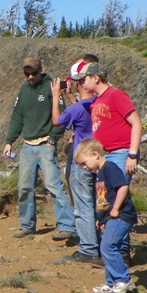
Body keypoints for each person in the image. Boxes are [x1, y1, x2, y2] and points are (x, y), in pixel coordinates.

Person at [2, 56, 75, 239]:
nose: (30, 76)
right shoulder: (24, 89)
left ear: (41, 70)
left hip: (45, 144)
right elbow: (17, 116)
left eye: (34, 73)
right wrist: (9, 141)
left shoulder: (51, 86)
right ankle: (27, 225)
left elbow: (61, 116)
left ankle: (66, 225)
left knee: (53, 185)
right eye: (27, 73)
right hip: (28, 146)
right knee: (24, 187)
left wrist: (52, 139)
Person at [77, 61, 142, 262]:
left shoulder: (116, 95)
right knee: (107, 198)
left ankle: (121, 251)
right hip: (106, 154)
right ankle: (114, 248)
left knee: (118, 198)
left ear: (96, 77)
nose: (82, 83)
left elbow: (136, 122)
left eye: (84, 79)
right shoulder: (97, 101)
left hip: (120, 152)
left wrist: (132, 154)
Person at [51, 59, 101, 264]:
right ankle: (99, 243)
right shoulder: (96, 104)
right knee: (97, 204)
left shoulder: (76, 109)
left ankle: (88, 249)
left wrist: (56, 97)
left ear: (79, 82)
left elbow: (57, 120)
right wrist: (72, 96)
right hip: (98, 159)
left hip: (81, 161)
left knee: (82, 206)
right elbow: (81, 113)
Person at [74, 138, 137, 293]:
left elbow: (122, 187)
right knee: (106, 249)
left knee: (108, 247)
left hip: (121, 215)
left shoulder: (110, 168)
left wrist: (116, 208)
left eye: (84, 163)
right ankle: (111, 283)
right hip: (109, 217)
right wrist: (100, 218)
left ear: (95, 154)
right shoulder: (100, 173)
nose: (84, 167)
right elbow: (103, 200)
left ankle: (124, 278)